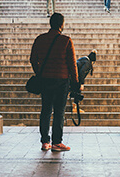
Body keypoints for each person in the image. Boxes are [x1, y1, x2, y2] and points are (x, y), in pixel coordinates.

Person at [29, 13, 78, 152]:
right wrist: (75, 81)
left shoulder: (40, 39)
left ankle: (45, 142)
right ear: (61, 25)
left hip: (45, 79)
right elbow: (72, 64)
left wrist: (39, 72)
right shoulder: (66, 41)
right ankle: (57, 142)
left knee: (46, 110)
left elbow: (33, 59)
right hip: (62, 80)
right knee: (59, 111)